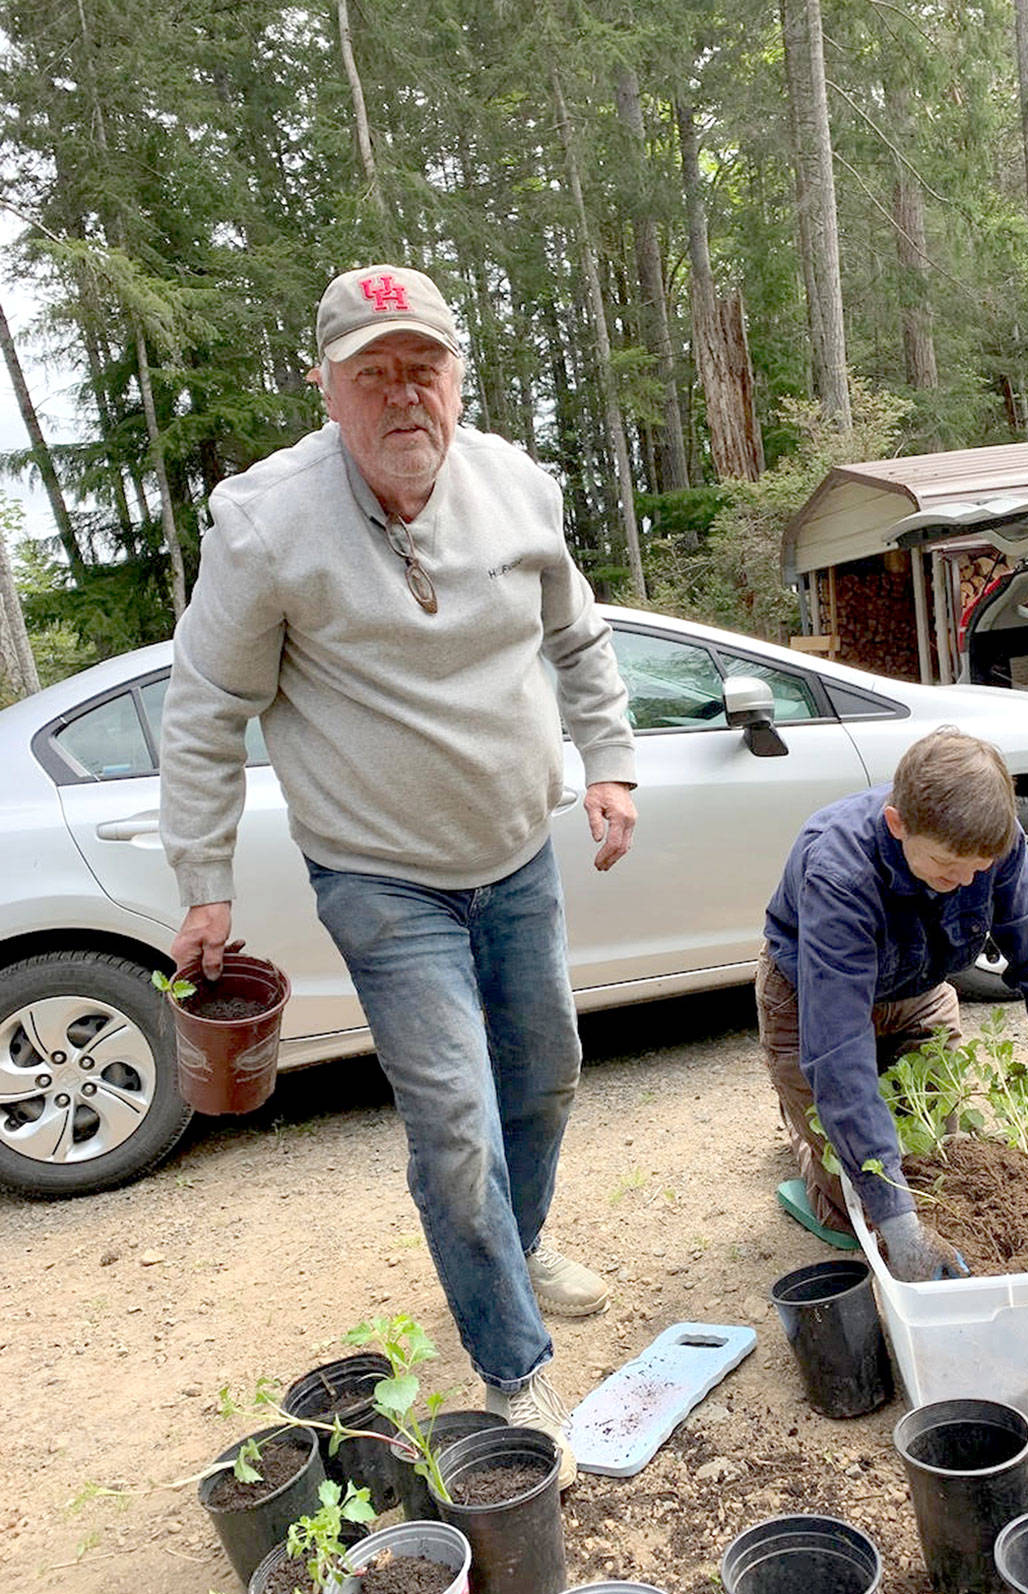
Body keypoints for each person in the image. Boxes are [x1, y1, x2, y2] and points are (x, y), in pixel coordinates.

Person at [159, 264, 638, 1486]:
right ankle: (512, 1369)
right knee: (454, 1120)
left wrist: (611, 763)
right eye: (371, 372)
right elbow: (207, 710)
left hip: (514, 850)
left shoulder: (518, 488)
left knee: (544, 1076)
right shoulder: (264, 525)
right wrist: (203, 881)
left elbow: (577, 640)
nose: (401, 394)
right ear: (326, 389)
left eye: (421, 366)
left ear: (457, 377)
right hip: (379, 876)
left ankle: (514, 1253)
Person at [756, 727, 1028, 1281]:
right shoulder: (839, 869)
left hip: (918, 991)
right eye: (945, 867)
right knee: (861, 1198)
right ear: (897, 825)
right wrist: (899, 1225)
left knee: (937, 1156)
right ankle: (806, 1142)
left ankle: (833, 1123)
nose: (961, 883)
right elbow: (838, 1049)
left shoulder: (996, 843)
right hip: (809, 997)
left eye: (977, 870)